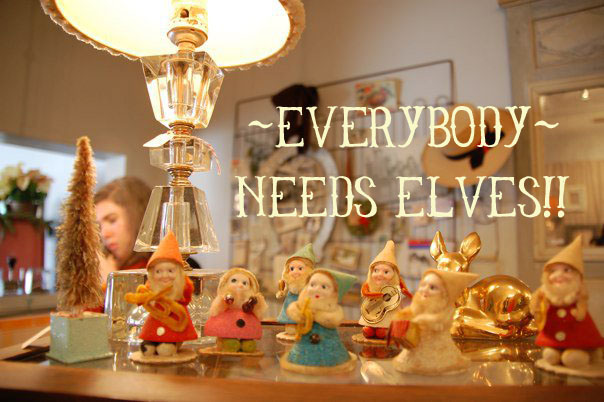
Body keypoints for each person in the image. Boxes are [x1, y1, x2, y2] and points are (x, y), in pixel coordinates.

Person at [94, 177, 199, 282]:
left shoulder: (179, 267)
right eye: (99, 226)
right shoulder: (107, 265)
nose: (104, 234)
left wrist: (111, 280)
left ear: (137, 217)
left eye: (112, 220)